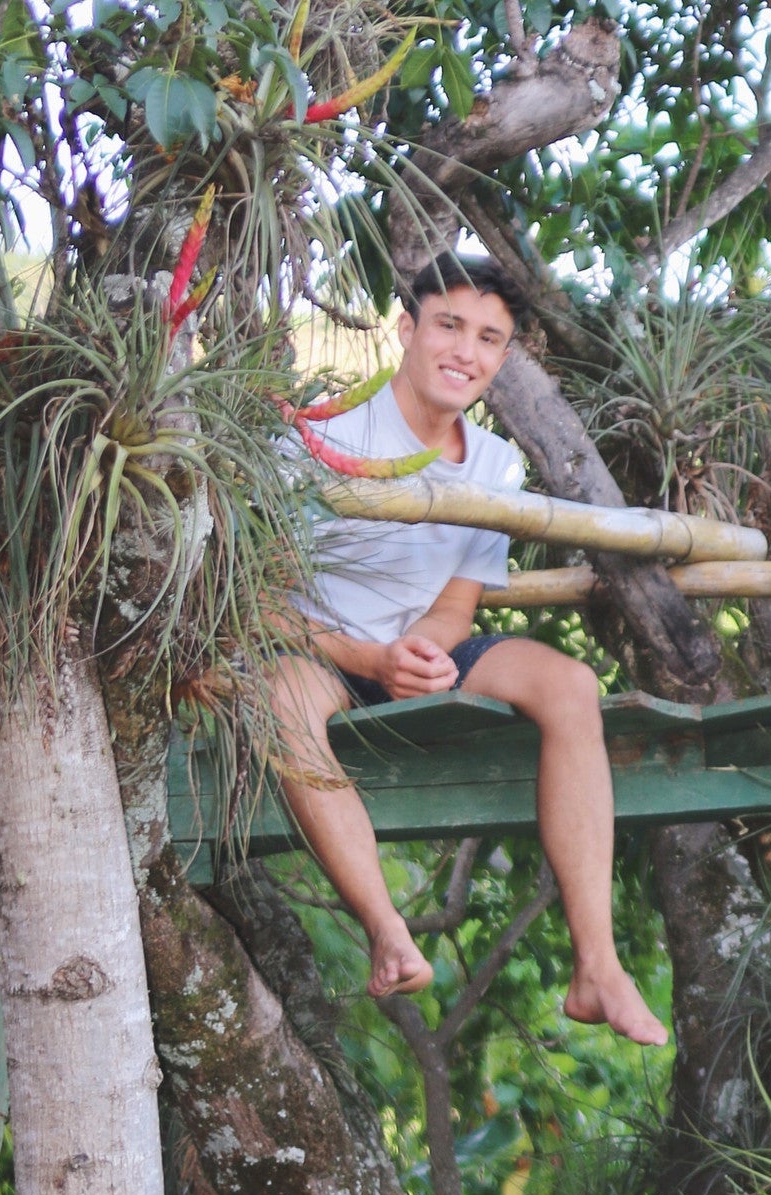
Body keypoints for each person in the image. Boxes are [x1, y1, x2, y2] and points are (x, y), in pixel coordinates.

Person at [272, 254, 668, 1048]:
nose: (465, 351)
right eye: (448, 325)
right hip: (319, 656)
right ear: (406, 329)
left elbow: (458, 602)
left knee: (568, 684)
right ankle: (386, 930)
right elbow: (256, 602)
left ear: (502, 357)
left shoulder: (494, 465)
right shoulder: (320, 435)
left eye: (489, 338)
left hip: (415, 655)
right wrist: (367, 660)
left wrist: (420, 650)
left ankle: (597, 968)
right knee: (278, 701)